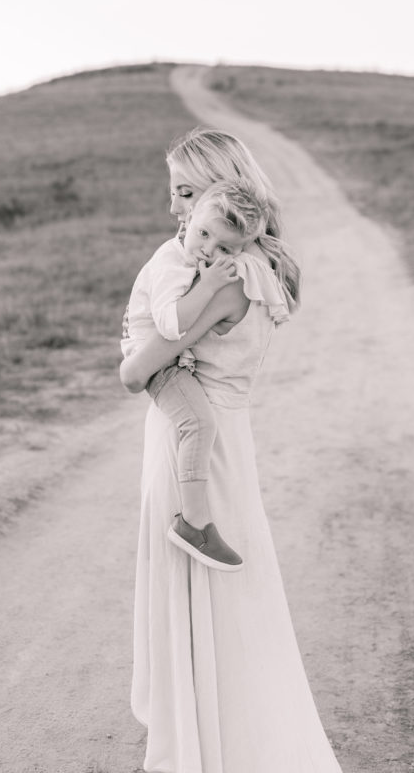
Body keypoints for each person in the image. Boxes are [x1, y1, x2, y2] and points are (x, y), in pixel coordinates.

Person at [120, 129, 344, 773]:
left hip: (194, 441)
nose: (175, 210)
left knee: (202, 594)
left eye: (187, 192)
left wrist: (131, 345)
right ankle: (218, 737)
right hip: (227, 434)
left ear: (222, 188)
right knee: (229, 601)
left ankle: (212, 750)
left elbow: (137, 374)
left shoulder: (225, 277)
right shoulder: (257, 267)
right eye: (173, 194)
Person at [122, 180, 290, 572]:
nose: (209, 251)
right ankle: (194, 522)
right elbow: (170, 324)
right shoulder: (171, 261)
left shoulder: (211, 264)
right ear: (193, 220)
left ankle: (195, 521)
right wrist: (211, 283)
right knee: (198, 422)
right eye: (203, 234)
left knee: (201, 422)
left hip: (170, 361)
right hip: (157, 362)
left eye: (225, 249)